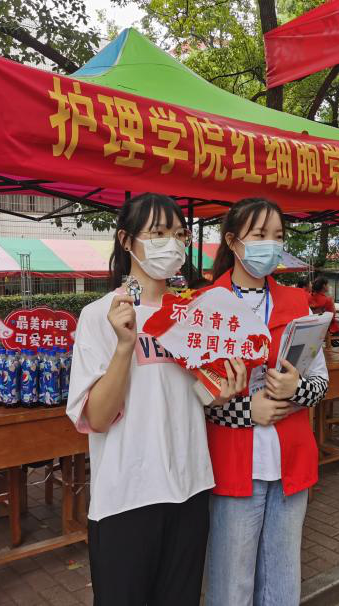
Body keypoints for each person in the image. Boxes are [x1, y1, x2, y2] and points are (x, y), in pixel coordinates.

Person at [66, 193, 238, 604]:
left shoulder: (194, 316)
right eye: (158, 233)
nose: (172, 244)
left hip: (190, 486)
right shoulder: (101, 315)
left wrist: (222, 391)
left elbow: (197, 395)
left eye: (179, 235)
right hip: (128, 496)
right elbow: (97, 418)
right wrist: (125, 347)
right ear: (126, 241)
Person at [205, 198, 329, 606]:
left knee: (282, 577)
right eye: (259, 235)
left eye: (277, 236)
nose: (270, 245)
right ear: (232, 241)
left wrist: (295, 389)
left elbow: (320, 384)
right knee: (231, 582)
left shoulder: (297, 303)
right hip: (232, 464)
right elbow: (197, 398)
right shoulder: (206, 306)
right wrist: (248, 412)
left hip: (291, 462)